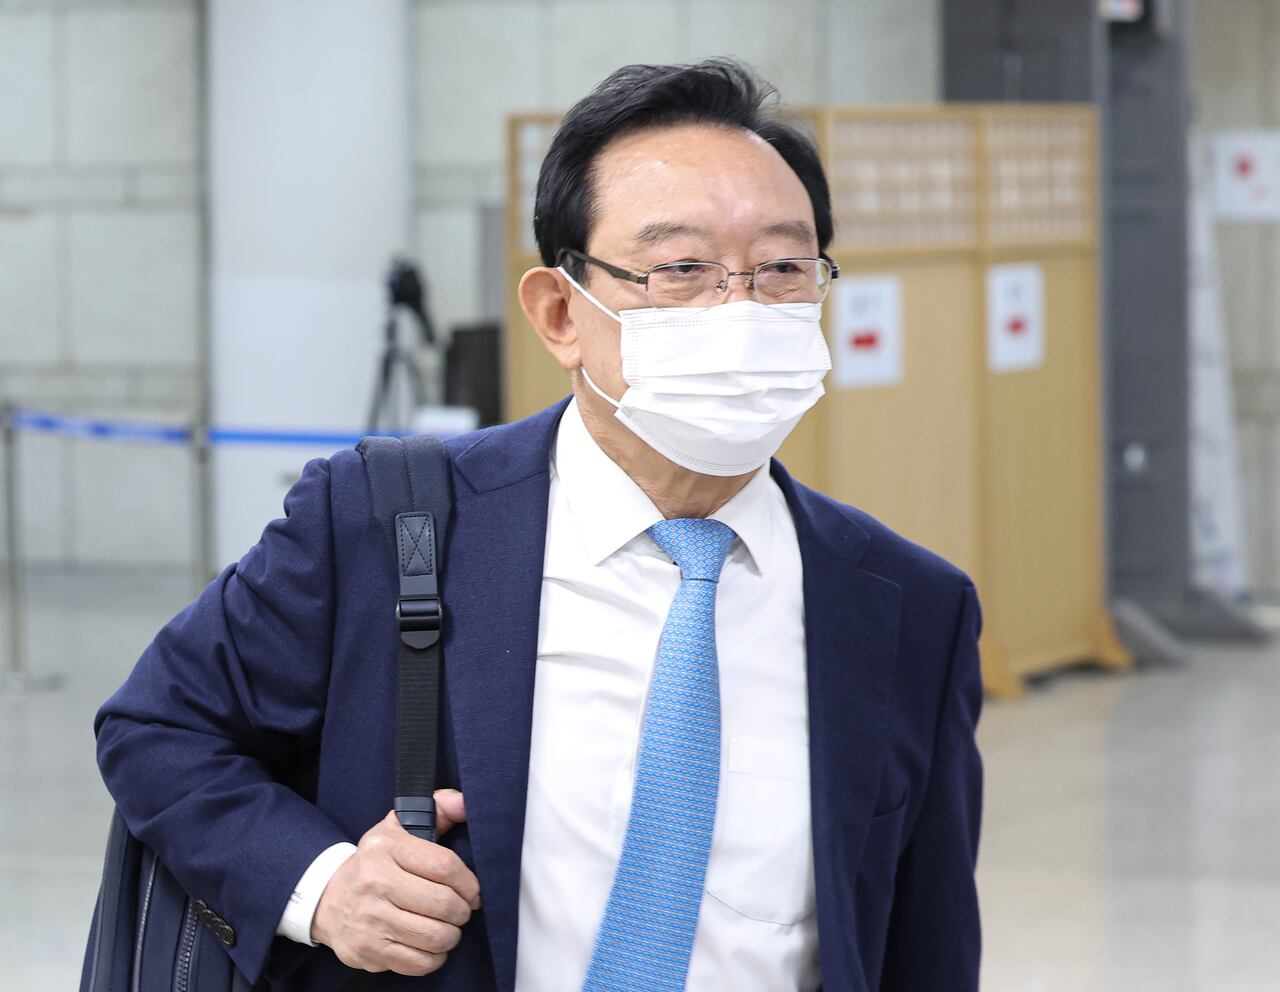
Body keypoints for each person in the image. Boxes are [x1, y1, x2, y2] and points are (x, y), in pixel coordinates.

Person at [95, 59, 982, 992]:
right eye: (682, 269)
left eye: (783, 268)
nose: (741, 308)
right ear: (561, 313)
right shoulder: (384, 523)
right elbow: (160, 726)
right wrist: (323, 888)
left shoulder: (910, 610)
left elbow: (924, 945)